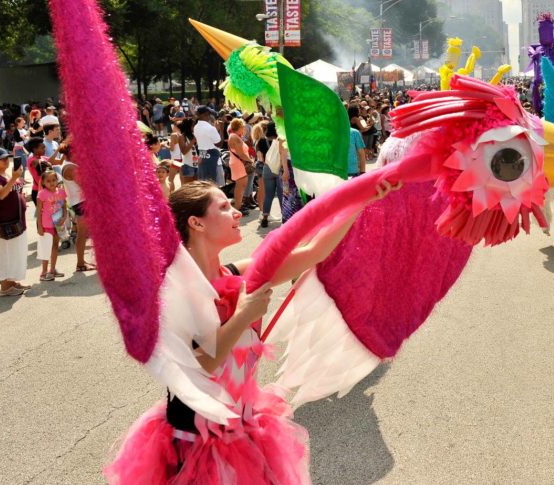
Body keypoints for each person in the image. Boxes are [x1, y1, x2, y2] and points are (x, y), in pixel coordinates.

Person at [104, 178, 400, 483]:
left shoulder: (239, 274)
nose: (235, 212)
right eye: (223, 206)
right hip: (192, 444)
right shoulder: (173, 292)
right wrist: (244, 315)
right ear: (197, 223)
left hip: (244, 430)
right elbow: (199, 364)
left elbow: (313, 252)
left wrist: (360, 201)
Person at [0, 148, 29, 297]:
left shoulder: (4, 174)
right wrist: (14, 178)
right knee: (5, 253)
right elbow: (2, 194)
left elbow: (12, 191)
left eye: (7, 158)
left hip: (14, 219)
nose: (6, 160)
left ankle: (12, 282)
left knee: (15, 252)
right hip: (3, 222)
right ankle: (5, 287)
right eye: (2, 158)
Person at [34, 169, 68, 281]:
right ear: (43, 182)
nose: (52, 183)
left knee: (55, 246)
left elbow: (64, 207)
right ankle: (43, 272)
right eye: (48, 181)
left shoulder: (61, 192)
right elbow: (38, 211)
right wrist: (39, 226)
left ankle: (52, 269)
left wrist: (64, 218)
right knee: (46, 248)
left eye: (54, 180)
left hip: (58, 224)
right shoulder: (42, 194)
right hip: (46, 225)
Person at [61, 162, 95, 272]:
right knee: (82, 234)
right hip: (81, 203)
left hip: (78, 202)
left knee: (83, 234)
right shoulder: (71, 167)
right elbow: (85, 185)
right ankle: (80, 264)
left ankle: (81, 262)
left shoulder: (69, 165)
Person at [194, 107, 222, 183]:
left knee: (204, 184)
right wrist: (220, 129)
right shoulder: (210, 128)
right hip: (214, 160)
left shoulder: (196, 127)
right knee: (214, 185)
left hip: (203, 157)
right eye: (209, 114)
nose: (210, 116)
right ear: (206, 114)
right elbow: (219, 144)